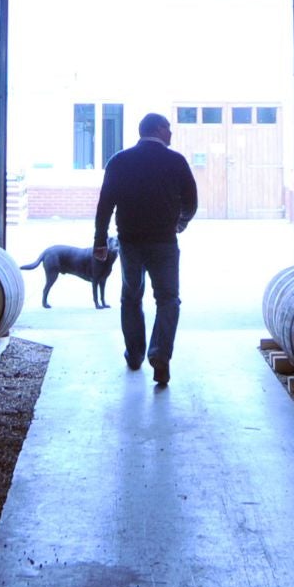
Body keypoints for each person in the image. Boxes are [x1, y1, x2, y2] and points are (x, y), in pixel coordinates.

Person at [92, 112, 199, 386]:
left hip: (130, 242)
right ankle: (160, 356)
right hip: (164, 241)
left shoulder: (119, 161)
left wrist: (100, 241)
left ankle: (135, 355)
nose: (171, 133)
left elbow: (105, 204)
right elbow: (191, 201)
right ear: (159, 129)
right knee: (168, 299)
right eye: (169, 128)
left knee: (131, 297)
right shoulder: (175, 161)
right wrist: (181, 222)